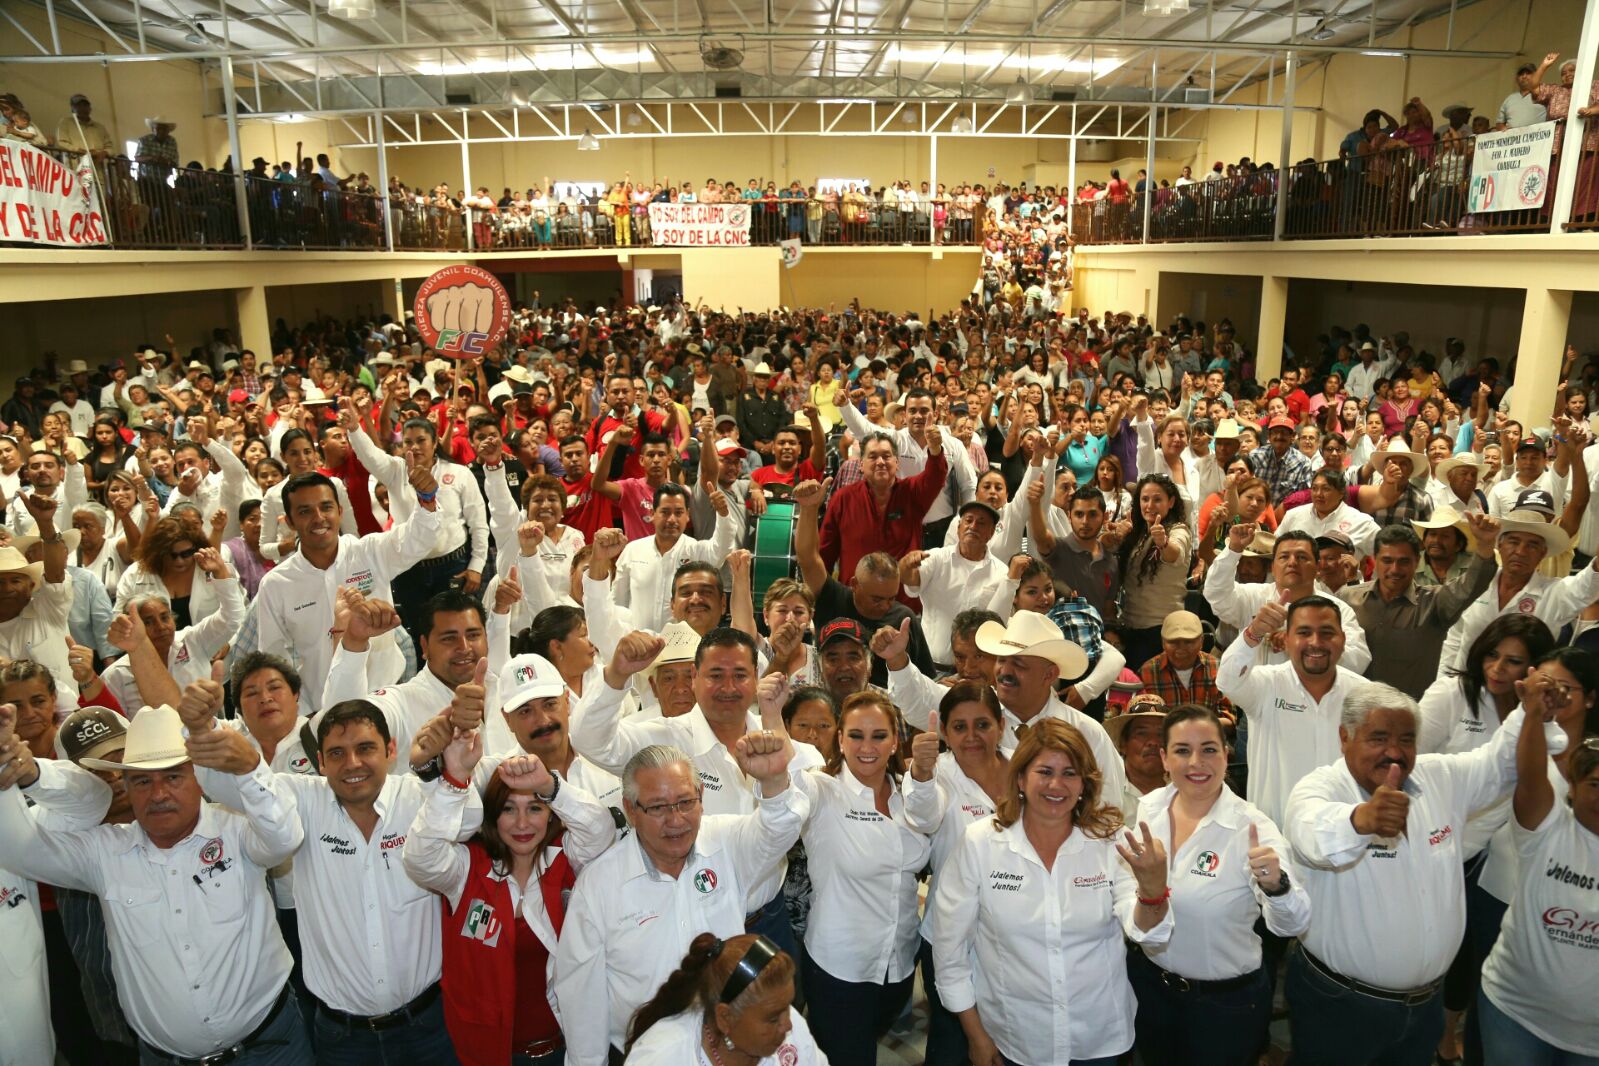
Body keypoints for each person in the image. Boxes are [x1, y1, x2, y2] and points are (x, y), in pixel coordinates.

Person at [0, 701, 314, 1064]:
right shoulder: (103, 854)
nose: (158, 793)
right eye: (142, 781)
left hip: (271, 1049)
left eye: (173, 776)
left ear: (198, 778)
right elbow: (17, 849)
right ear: (128, 788)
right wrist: (25, 773)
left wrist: (248, 768)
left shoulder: (236, 829)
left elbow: (285, 838)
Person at [177, 687, 472, 1065]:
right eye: (337, 753)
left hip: (429, 1026)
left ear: (391, 750)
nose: (352, 763)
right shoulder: (300, 799)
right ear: (319, 761)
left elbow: (472, 817)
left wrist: (450, 764)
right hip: (343, 1039)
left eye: (365, 748)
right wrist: (200, 725)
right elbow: (225, 781)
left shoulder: (418, 797)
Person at [1282, 681, 1547, 1066]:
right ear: (1344, 737)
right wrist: (1360, 819)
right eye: (1378, 738)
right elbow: (1310, 834)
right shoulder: (1320, 788)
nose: (1394, 752)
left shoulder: (1440, 777)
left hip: (1425, 1008)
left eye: (1406, 739)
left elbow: (1498, 763)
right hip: (1341, 1006)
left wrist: (1529, 709)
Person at [552, 722, 805, 1066]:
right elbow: (581, 997)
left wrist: (774, 782)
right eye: (657, 807)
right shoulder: (599, 886)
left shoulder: (727, 842)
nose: (676, 820)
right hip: (641, 1054)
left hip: (729, 1045)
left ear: (702, 794)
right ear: (630, 809)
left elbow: (779, 830)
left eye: (686, 801)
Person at [929, 718, 1172, 1066]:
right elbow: (950, 952)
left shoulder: (1110, 841)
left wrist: (1152, 888)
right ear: (1021, 779)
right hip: (1017, 1039)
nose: (1056, 784)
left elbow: (1147, 932)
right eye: (1044, 771)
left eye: (1070, 773)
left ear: (1085, 784)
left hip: (1099, 1039)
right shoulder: (980, 843)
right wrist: (976, 1036)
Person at [404, 715, 617, 1066]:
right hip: (489, 1053)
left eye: (534, 808)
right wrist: (454, 781)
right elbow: (420, 859)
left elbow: (600, 830)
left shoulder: (566, 860)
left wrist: (551, 785)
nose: (521, 824)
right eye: (508, 809)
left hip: (568, 1048)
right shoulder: (467, 868)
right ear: (492, 816)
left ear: (551, 816)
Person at [1130, 703, 1311, 1066]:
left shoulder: (1252, 828)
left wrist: (1277, 885)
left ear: (1226, 755)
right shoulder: (1150, 807)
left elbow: (1294, 923)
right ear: (1165, 759)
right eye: (1183, 750)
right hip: (1152, 987)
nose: (1196, 762)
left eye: (1209, 749)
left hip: (1224, 1005)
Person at [784, 681, 932, 1066]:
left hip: (899, 962)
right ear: (840, 739)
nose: (867, 747)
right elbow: (784, 785)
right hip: (840, 968)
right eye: (856, 736)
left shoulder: (910, 793)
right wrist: (770, 714)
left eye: (879, 736)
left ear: (895, 742)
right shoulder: (823, 791)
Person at [1475, 673, 1599, 1064]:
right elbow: (1530, 774)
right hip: (1514, 1013)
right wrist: (1533, 714)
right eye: (1595, 783)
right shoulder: (1546, 827)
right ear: (1573, 788)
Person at [256, 469, 442, 713]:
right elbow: (272, 659)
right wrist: (299, 712)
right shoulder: (276, 584)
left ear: (339, 511)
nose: (319, 518)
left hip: (386, 697)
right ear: (289, 521)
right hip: (323, 707)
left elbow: (419, 538)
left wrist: (427, 499)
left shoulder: (369, 551)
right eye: (305, 511)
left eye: (326, 507)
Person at [901, 683, 1008, 1066]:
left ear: (1001, 724)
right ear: (944, 732)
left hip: (1015, 935)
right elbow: (923, 815)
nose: (972, 736)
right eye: (959, 727)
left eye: (982, 724)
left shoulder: (1028, 767)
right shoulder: (936, 775)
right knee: (952, 1042)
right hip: (951, 937)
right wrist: (923, 771)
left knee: (1007, 1038)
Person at [1216, 594, 1367, 826]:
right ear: (1285, 639)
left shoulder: (1364, 694)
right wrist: (1253, 633)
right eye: (1304, 633)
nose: (1316, 642)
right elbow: (1227, 680)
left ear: (1343, 639)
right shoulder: (1265, 686)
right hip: (1277, 841)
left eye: (1327, 633)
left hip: (1345, 840)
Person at [1338, 517, 1500, 698]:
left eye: (1404, 561)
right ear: (1375, 559)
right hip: (1355, 710)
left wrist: (1485, 545)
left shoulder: (1435, 602)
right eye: (1387, 560)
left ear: (1417, 561)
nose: (1395, 569)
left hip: (1412, 715)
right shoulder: (1347, 598)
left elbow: (1471, 585)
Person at [623, 933, 824, 1065]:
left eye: (788, 1006)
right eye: (772, 1018)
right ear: (725, 1018)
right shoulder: (661, 1058)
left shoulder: (793, 1031)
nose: (789, 1024)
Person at [1204, 526, 1372, 672]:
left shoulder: (1337, 609)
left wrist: (1305, 643)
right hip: (1258, 702)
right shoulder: (1251, 596)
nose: (1292, 562)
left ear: (1317, 567)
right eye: (1284, 557)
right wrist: (1233, 550)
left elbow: (1358, 658)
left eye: (1302, 557)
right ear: (1273, 567)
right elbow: (1216, 594)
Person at [900, 500, 1007, 665]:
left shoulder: (1002, 573)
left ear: (991, 533)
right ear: (958, 528)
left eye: (981, 522)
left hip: (975, 669)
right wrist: (906, 567)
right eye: (968, 520)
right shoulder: (936, 558)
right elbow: (912, 582)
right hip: (930, 664)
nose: (973, 526)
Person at [1117, 473, 1194, 670]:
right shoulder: (1138, 532)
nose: (1150, 505)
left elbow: (1174, 554)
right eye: (1145, 499)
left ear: (1171, 502)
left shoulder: (1179, 530)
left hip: (1161, 631)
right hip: (1129, 626)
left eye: (1157, 499)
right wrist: (1116, 537)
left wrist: (1163, 543)